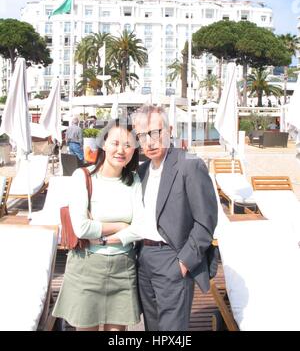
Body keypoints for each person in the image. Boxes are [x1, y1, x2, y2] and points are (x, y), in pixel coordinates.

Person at [106, 105, 218, 331]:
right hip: (144, 259)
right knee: (153, 328)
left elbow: (206, 220)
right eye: (142, 136)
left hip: (173, 257)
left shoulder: (189, 164)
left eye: (156, 133)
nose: (150, 142)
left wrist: (185, 261)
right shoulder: (142, 171)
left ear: (169, 130)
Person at [52, 119, 142, 331]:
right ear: (103, 143)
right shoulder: (82, 176)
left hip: (123, 266)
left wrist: (102, 235)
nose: (121, 150)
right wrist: (121, 225)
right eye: (115, 143)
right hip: (86, 266)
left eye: (128, 145)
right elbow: (81, 228)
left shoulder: (134, 180)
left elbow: (140, 227)